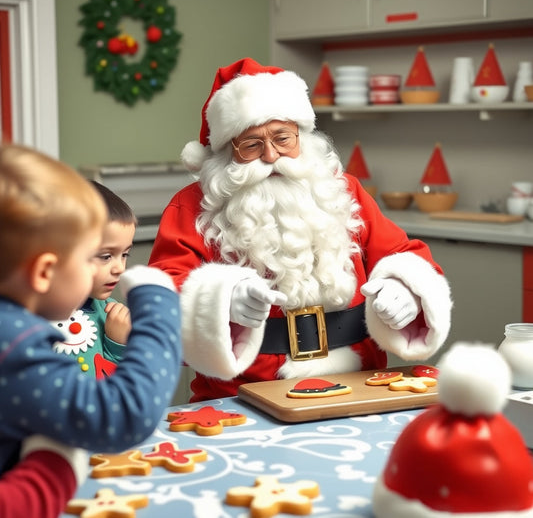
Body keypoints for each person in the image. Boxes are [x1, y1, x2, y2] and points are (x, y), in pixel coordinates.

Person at [149, 57, 452, 402]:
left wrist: (406, 290)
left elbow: (401, 253)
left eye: (282, 137)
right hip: (243, 397)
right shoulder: (193, 205)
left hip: (360, 387)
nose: (271, 155)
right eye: (251, 144)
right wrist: (219, 302)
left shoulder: (342, 189)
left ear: (301, 135)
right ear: (226, 152)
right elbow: (161, 294)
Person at [0, 144, 181, 516]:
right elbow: (123, 415)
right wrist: (160, 310)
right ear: (44, 272)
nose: (111, 268)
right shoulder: (14, 342)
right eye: (89, 258)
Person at [51, 181, 137, 378]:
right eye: (106, 256)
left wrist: (119, 345)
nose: (120, 268)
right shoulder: (30, 318)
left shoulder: (113, 315)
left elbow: (121, 390)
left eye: (125, 254)